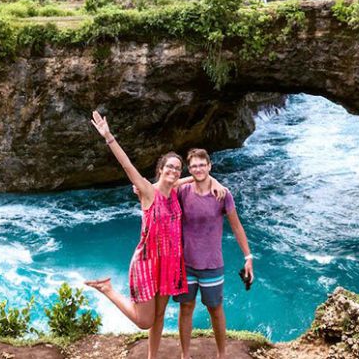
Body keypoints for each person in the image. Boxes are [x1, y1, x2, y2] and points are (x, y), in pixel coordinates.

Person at [84, 111, 224, 359]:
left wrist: (213, 181)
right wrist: (109, 137)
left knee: (160, 317)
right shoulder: (147, 191)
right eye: (169, 166)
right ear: (160, 169)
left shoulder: (175, 191)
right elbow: (127, 166)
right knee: (144, 321)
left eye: (177, 168)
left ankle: (152, 357)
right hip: (148, 262)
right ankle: (107, 289)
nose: (173, 171)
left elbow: (192, 178)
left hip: (169, 264)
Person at [175, 148, 254, 359]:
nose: (198, 169)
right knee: (186, 308)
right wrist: (197, 179)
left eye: (202, 165)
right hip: (185, 263)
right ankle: (185, 355)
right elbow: (167, 185)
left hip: (211, 264)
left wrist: (248, 257)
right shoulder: (183, 191)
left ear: (210, 166)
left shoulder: (222, 194)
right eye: (194, 166)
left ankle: (222, 354)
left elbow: (236, 227)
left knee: (215, 310)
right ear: (189, 169)